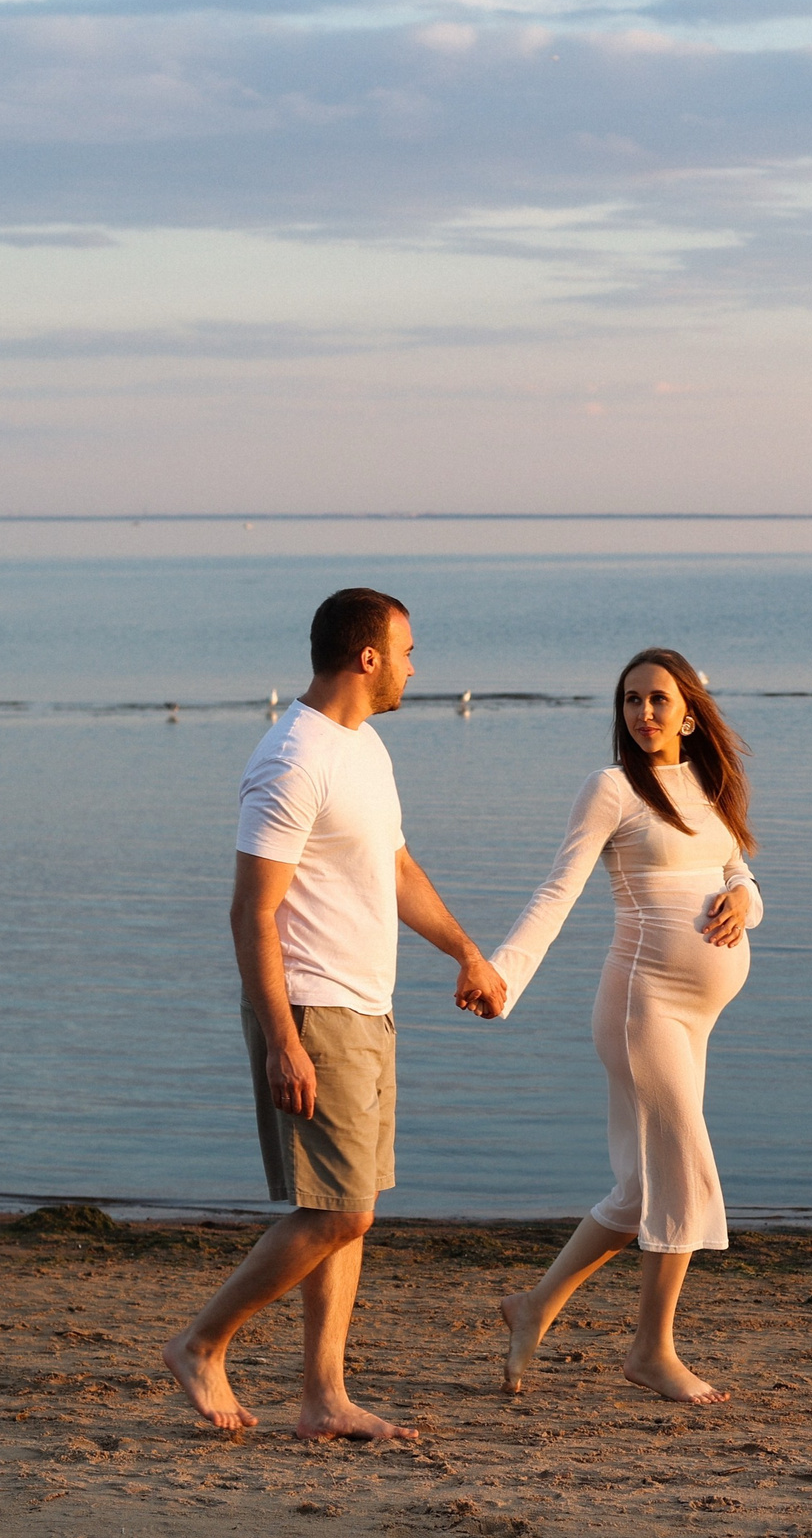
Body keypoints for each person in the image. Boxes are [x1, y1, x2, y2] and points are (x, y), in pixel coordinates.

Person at [163, 588, 507, 1439]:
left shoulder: (366, 747)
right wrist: (282, 1039)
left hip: (368, 1005)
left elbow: (396, 867)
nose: (415, 667)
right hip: (313, 1008)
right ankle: (201, 1343)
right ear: (368, 657)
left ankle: (324, 1396)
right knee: (342, 1210)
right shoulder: (291, 759)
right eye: (407, 651)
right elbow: (251, 911)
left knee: (349, 1206)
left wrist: (465, 951)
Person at [489, 647, 762, 1404]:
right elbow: (558, 890)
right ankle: (650, 1350)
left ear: (689, 713)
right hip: (644, 1005)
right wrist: (504, 976)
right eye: (631, 700)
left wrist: (747, 902)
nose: (643, 712)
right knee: (685, 1170)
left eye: (658, 699)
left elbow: (736, 869)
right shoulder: (611, 788)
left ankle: (533, 1306)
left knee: (643, 1188)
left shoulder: (709, 785)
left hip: (697, 1012)